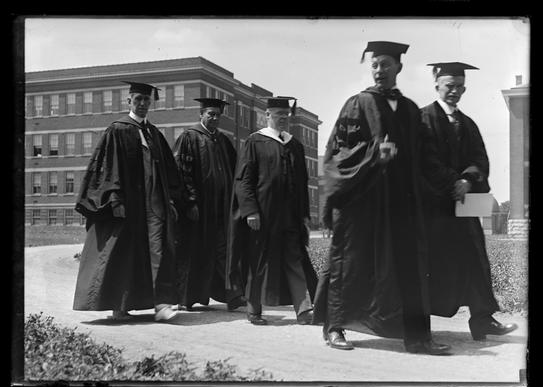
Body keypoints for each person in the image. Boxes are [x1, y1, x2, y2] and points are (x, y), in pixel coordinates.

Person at [313, 41, 456, 354]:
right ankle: (334, 328)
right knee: (350, 263)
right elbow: (337, 152)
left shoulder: (409, 110)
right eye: (375, 64)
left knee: (410, 266)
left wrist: (453, 181)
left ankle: (418, 338)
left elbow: (427, 158)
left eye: (385, 65)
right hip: (362, 201)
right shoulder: (357, 104)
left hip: (402, 202)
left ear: (398, 68)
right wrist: (372, 154)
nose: (379, 70)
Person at [420, 62, 518, 340]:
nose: (455, 91)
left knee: (475, 258)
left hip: (462, 208)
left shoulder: (468, 123)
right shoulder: (422, 119)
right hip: (433, 207)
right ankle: (419, 326)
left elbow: (480, 160)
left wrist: (467, 179)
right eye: (450, 85)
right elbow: (424, 160)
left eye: (460, 86)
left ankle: (482, 319)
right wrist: (453, 180)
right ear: (436, 84)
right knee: (429, 264)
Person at [73, 81, 182, 322]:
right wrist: (114, 198)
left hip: (154, 205)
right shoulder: (118, 130)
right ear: (129, 101)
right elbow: (106, 169)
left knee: (157, 250)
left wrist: (170, 201)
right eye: (138, 100)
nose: (143, 104)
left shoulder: (154, 133)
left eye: (147, 100)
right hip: (128, 205)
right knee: (123, 253)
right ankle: (119, 306)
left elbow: (168, 170)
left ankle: (160, 304)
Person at [227, 96, 318, 325]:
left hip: (290, 215)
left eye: (286, 116)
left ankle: (303, 309)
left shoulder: (294, 145)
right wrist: (250, 211)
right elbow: (243, 180)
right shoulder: (255, 141)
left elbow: (302, 182)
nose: (284, 120)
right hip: (264, 213)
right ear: (267, 116)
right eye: (279, 116)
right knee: (258, 260)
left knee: (294, 258)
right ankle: (254, 308)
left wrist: (304, 215)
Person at [172, 98, 245, 311]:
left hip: (221, 207)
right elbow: (181, 172)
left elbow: (235, 170)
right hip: (199, 208)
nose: (214, 118)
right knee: (194, 250)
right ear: (201, 115)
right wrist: (190, 202)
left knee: (224, 249)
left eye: (217, 115)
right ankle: (186, 298)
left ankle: (233, 294)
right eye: (210, 114)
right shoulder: (189, 137)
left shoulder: (222, 140)